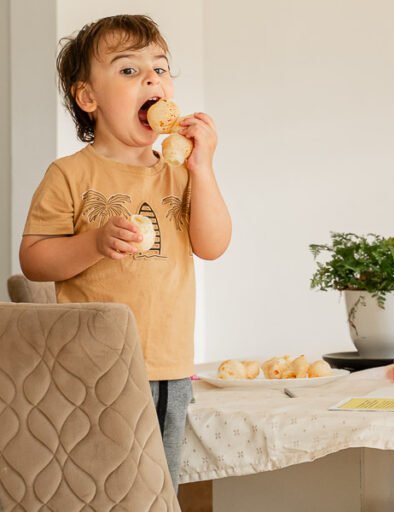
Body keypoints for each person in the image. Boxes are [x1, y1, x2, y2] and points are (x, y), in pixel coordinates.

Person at [19, 14, 231, 491]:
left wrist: (204, 167)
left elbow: (213, 245)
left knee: (156, 486)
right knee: (93, 484)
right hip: (90, 366)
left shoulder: (180, 173)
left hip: (166, 364)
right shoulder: (70, 174)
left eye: (161, 68)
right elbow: (33, 259)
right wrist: (93, 243)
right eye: (130, 70)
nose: (153, 78)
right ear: (88, 98)